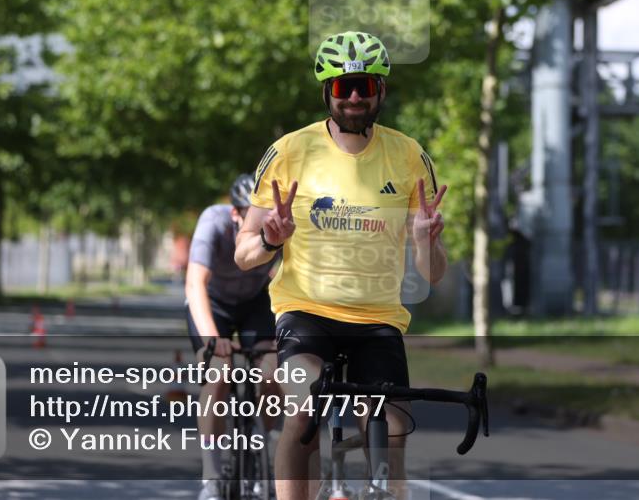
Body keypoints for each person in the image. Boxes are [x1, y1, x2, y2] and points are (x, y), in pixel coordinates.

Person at [235, 31, 448, 500]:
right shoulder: (290, 151)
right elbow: (244, 252)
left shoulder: (410, 156)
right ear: (326, 92)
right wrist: (271, 237)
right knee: (303, 411)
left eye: (364, 86)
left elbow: (432, 272)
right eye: (341, 87)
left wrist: (424, 241)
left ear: (382, 91)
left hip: (378, 319)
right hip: (305, 311)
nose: (353, 97)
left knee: (393, 430)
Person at [186, 174, 281, 500]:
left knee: (273, 371)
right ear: (234, 214)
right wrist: (214, 340)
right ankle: (211, 476)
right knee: (219, 372)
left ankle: (258, 440)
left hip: (255, 301)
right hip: (214, 303)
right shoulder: (212, 222)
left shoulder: (278, 226)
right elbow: (195, 283)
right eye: (247, 215)